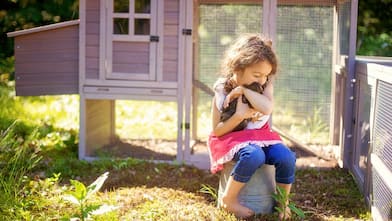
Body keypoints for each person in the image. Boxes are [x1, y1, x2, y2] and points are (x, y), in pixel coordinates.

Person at [207, 33, 296, 219]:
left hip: (261, 137)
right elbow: (218, 130)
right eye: (256, 75)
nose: (262, 80)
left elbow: (267, 107)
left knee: (286, 157)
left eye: (265, 75)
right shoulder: (222, 89)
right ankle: (228, 199)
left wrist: (244, 90)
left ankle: (282, 203)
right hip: (232, 138)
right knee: (254, 155)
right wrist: (240, 115)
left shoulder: (264, 85)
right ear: (237, 68)